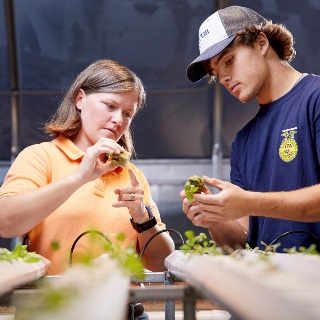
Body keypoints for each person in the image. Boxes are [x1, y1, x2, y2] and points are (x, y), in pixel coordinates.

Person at [0, 60, 175, 278]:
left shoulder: (132, 177)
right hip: (51, 307)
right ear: (80, 99)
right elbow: (5, 224)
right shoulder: (40, 157)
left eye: (128, 114)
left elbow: (162, 263)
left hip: (119, 309)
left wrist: (143, 219)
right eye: (110, 106)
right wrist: (79, 178)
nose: (118, 120)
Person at [181, 5, 320, 252]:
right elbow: (239, 240)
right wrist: (216, 217)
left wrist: (248, 202)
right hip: (266, 283)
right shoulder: (244, 140)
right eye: (216, 73)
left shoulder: (315, 99)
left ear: (261, 43)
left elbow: (252, 204)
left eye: (229, 61)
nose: (223, 78)